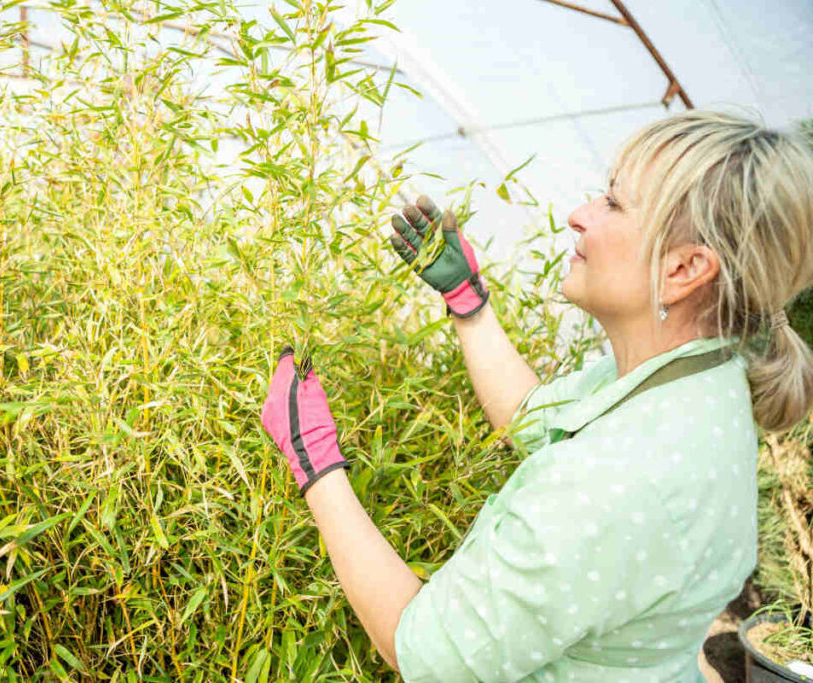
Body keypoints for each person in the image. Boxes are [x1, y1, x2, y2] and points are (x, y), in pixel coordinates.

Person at [260, 109, 813, 681]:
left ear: (684, 268)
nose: (579, 215)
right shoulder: (692, 380)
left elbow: (423, 649)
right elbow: (537, 419)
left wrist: (314, 458)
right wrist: (468, 303)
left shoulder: (621, 479)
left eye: (613, 203)